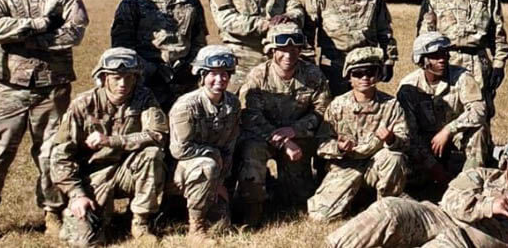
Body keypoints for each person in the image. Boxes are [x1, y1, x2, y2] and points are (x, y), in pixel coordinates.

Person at [0, 0, 89, 234]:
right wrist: (39, 24)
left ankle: (52, 211)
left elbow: (73, 33)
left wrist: (21, 37)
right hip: (8, 88)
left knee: (52, 154)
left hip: (52, 88)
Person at [325, 137, 508, 248]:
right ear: (505, 165)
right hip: (436, 216)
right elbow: (450, 199)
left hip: (465, 242)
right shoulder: (481, 175)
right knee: (389, 209)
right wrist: (487, 206)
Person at [50, 48, 167, 246]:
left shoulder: (145, 98)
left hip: (127, 170)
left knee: (152, 154)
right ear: (103, 77)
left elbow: (158, 134)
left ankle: (141, 221)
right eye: (116, 77)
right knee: (87, 240)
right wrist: (77, 194)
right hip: (93, 176)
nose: (123, 84)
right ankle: (71, 213)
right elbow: (61, 155)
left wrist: (112, 140)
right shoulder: (83, 104)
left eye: (128, 77)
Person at [235, 23, 330, 225]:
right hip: (264, 138)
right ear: (271, 51)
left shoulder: (313, 75)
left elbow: (322, 111)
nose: (289, 55)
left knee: (296, 200)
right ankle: (253, 211)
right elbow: (251, 116)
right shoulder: (258, 76)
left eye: (294, 49)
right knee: (251, 157)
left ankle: (281, 190)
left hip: (298, 139)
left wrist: (295, 130)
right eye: (282, 50)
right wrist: (284, 141)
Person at [307, 47, 409, 222]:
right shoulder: (337, 105)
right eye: (358, 73)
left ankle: (387, 207)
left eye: (370, 72)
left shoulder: (391, 105)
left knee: (393, 157)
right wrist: (338, 148)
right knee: (320, 216)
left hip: (376, 166)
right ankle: (358, 199)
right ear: (349, 77)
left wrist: (392, 139)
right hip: (346, 166)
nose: (364, 78)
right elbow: (322, 143)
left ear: (378, 75)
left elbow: (405, 142)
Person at [418, 0, 508, 117]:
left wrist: (499, 64)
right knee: (446, 114)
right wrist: (427, 65)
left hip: (478, 63)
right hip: (446, 61)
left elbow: (498, 30)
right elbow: (425, 32)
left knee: (479, 117)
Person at [111, 0, 207, 108]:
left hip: (184, 85)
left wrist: (190, 66)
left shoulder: (191, 1)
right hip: (145, 86)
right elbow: (122, 48)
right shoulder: (133, 1)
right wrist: (150, 70)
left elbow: (199, 41)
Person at [396, 32, 489, 188]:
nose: (442, 59)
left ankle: (469, 185)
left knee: (478, 130)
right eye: (435, 56)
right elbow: (410, 133)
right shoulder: (408, 87)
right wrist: (433, 167)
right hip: (423, 144)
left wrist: (448, 130)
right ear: (421, 60)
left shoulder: (462, 77)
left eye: (445, 54)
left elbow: (479, 110)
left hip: (454, 137)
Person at [169, 45, 242, 245]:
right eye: (213, 74)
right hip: (183, 170)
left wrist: (221, 181)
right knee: (206, 165)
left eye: (225, 74)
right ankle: (196, 228)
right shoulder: (186, 106)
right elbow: (180, 149)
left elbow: (230, 146)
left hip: (214, 173)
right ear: (201, 76)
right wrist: (213, 156)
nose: (220, 80)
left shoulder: (232, 104)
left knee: (222, 225)